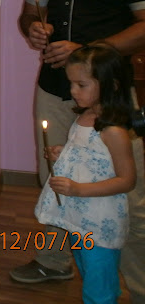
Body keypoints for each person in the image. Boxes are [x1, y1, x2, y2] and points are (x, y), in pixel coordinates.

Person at [12, 0, 145, 302]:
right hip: (54, 88)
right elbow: (29, 12)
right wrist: (32, 28)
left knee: (131, 191)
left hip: (109, 97)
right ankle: (54, 263)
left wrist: (88, 51)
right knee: (55, 174)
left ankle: (139, 285)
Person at [35, 45, 137, 303]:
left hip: (100, 222)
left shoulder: (114, 131)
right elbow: (88, 154)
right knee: (88, 272)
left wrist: (78, 189)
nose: (73, 91)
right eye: (71, 83)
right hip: (79, 219)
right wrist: (62, 153)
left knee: (98, 285)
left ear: (111, 85)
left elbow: (127, 180)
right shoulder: (84, 116)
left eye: (81, 85)